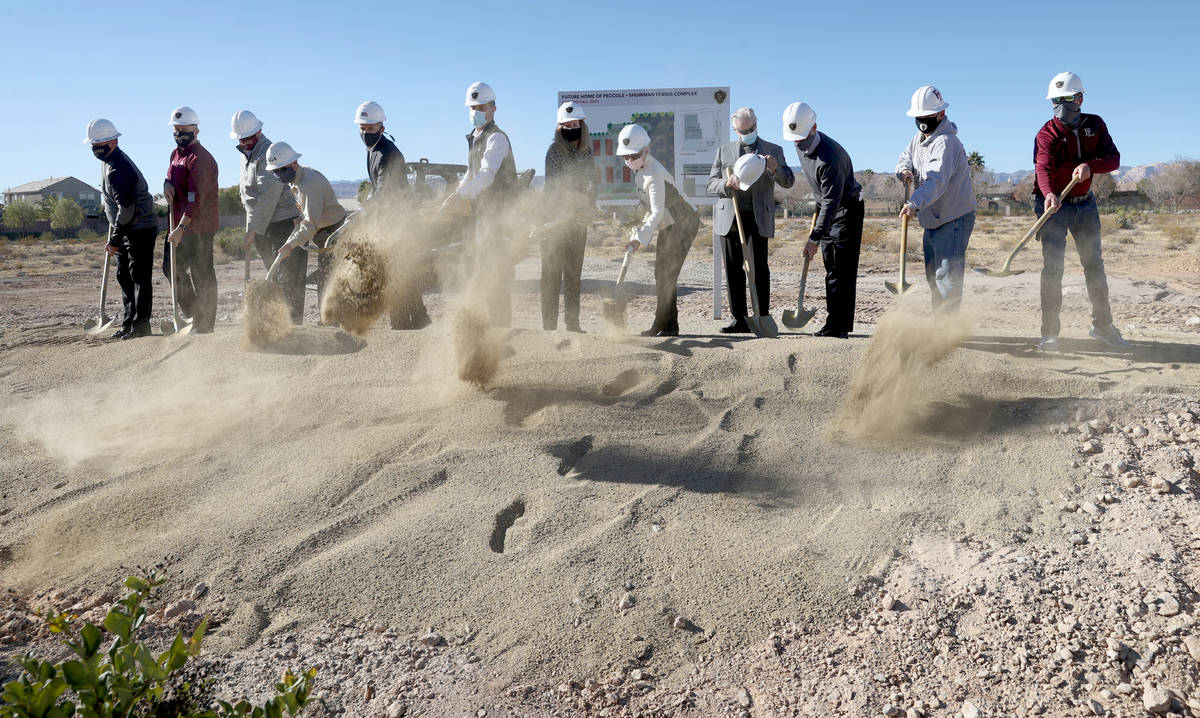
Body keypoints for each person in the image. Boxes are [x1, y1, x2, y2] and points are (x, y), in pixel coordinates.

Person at [1033, 72, 1127, 351]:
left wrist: (1090, 165)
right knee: (1053, 270)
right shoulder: (1046, 133)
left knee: (1094, 266)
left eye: (1065, 100)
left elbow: (1114, 158)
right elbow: (1042, 168)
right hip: (1053, 208)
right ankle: (1049, 335)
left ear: (1079, 99)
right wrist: (1049, 193)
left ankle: (1103, 327)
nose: (1059, 106)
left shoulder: (1095, 125)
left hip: (1085, 204)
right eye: (1055, 101)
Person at [706, 107, 794, 333]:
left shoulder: (773, 150)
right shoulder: (723, 151)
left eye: (752, 128)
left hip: (758, 217)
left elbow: (788, 181)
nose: (748, 132)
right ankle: (740, 319)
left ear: (757, 124)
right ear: (735, 130)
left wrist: (774, 170)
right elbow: (710, 185)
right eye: (743, 130)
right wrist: (726, 184)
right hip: (731, 217)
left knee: (759, 268)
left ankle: (762, 314)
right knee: (733, 269)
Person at [441, 81, 518, 326]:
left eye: (481, 106)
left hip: (498, 218)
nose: (476, 111)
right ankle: (485, 324)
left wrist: (462, 197)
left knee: (495, 274)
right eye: (472, 107)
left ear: (493, 108)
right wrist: (453, 195)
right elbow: (471, 174)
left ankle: (500, 328)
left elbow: (486, 175)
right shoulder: (476, 138)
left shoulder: (497, 139)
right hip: (481, 217)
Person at [783, 102, 863, 338]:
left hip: (846, 210)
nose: (798, 143)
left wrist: (814, 238)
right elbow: (823, 198)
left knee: (841, 269)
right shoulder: (800, 142)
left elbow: (832, 202)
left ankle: (838, 326)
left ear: (814, 127)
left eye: (801, 138)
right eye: (794, 139)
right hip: (826, 207)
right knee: (832, 268)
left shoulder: (830, 157)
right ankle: (836, 322)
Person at [896, 86, 976, 314]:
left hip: (953, 218)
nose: (922, 122)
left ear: (941, 114)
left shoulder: (946, 143)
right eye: (919, 117)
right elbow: (905, 157)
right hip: (932, 218)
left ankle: (947, 332)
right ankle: (940, 328)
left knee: (946, 279)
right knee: (934, 277)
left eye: (927, 117)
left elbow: (936, 181)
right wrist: (904, 170)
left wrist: (914, 203)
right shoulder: (919, 138)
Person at [616, 123, 699, 337]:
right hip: (669, 222)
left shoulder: (653, 174)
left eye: (633, 155)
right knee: (661, 273)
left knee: (666, 274)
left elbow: (656, 212)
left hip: (683, 222)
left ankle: (661, 322)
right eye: (625, 157)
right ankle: (670, 325)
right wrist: (636, 233)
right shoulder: (640, 172)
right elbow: (648, 210)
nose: (629, 160)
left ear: (646, 150)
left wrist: (639, 240)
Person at [355, 100, 429, 330]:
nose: (366, 133)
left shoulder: (388, 154)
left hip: (401, 225)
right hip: (389, 223)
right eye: (363, 128)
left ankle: (402, 325)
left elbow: (385, 191)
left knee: (397, 275)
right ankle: (418, 319)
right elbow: (377, 189)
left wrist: (365, 212)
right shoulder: (372, 151)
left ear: (382, 128)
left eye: (371, 128)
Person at [231, 110, 305, 323]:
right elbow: (247, 197)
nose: (245, 142)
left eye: (248, 138)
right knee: (273, 274)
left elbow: (267, 196)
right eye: (241, 139)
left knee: (287, 275)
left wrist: (253, 229)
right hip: (264, 226)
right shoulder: (246, 156)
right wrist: (251, 228)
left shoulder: (267, 152)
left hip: (283, 222)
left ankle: (294, 324)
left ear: (259, 131)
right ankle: (279, 322)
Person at [86, 119, 157, 340]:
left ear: (114, 141)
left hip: (139, 228)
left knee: (138, 277)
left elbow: (127, 208)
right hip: (126, 228)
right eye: (94, 145)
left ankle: (141, 326)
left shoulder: (119, 167)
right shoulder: (108, 162)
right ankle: (129, 323)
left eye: (101, 144)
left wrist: (115, 237)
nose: (97, 149)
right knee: (123, 275)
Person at [266, 142, 347, 309]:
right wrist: (301, 218)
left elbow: (310, 225)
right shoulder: (296, 179)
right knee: (326, 277)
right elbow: (310, 213)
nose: (280, 174)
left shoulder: (308, 184)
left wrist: (290, 244)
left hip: (334, 232)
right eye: (276, 171)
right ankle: (330, 320)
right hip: (324, 230)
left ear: (294, 164)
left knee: (328, 279)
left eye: (283, 169)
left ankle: (331, 321)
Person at [541, 101, 596, 332]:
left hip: (578, 223)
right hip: (554, 222)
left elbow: (592, 180)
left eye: (575, 124)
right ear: (560, 127)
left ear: (582, 125)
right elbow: (555, 186)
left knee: (574, 276)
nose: (571, 127)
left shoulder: (587, 153)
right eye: (566, 124)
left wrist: (591, 195)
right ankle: (549, 328)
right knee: (552, 277)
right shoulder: (554, 152)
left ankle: (573, 324)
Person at [163, 106, 219, 333]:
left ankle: (205, 326)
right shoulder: (176, 154)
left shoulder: (201, 159)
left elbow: (196, 200)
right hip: (177, 224)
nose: (178, 134)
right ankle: (193, 313)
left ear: (196, 129)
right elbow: (170, 176)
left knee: (202, 275)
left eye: (183, 130)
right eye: (176, 130)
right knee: (170, 268)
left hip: (199, 227)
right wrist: (166, 183)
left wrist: (181, 228)